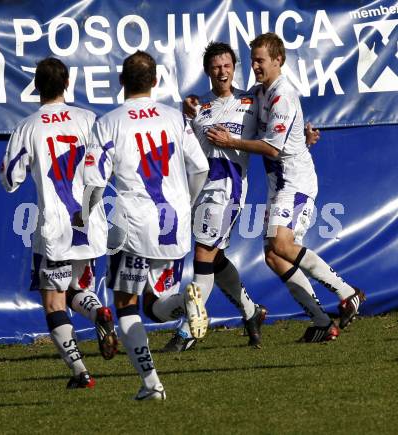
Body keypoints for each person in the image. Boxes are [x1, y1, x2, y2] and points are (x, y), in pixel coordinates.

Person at [207, 33, 365, 342]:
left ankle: (348, 293)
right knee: (274, 256)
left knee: (280, 244)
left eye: (260, 60)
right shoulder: (261, 92)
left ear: (278, 60)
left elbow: (272, 148)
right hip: (277, 183)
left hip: (295, 181)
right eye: (252, 60)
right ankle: (321, 321)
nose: (255, 65)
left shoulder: (282, 95)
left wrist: (230, 141)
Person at [82, 51, 209, 400]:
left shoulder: (109, 122)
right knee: (156, 305)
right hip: (174, 224)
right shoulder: (174, 118)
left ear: (121, 82)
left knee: (126, 305)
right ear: (155, 82)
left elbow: (94, 182)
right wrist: (189, 203)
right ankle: (185, 302)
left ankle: (151, 383)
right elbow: (200, 168)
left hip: (133, 227)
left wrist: (85, 215)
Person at [0, 57, 118, 389]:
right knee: (79, 288)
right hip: (89, 222)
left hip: (54, 227)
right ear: (67, 84)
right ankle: (100, 314)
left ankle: (81, 372)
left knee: (54, 301)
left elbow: (10, 178)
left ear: (36, 86)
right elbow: (107, 164)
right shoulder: (88, 120)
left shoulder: (29, 126)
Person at [163, 42, 269, 353]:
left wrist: (302, 134)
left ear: (234, 67)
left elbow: (275, 133)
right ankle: (252, 312)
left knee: (203, 255)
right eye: (216, 66)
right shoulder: (199, 106)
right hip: (199, 190)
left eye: (227, 66)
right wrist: (186, 114)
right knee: (215, 257)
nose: (222, 72)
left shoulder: (251, 101)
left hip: (228, 189)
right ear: (208, 70)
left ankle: (187, 332)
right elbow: (186, 148)